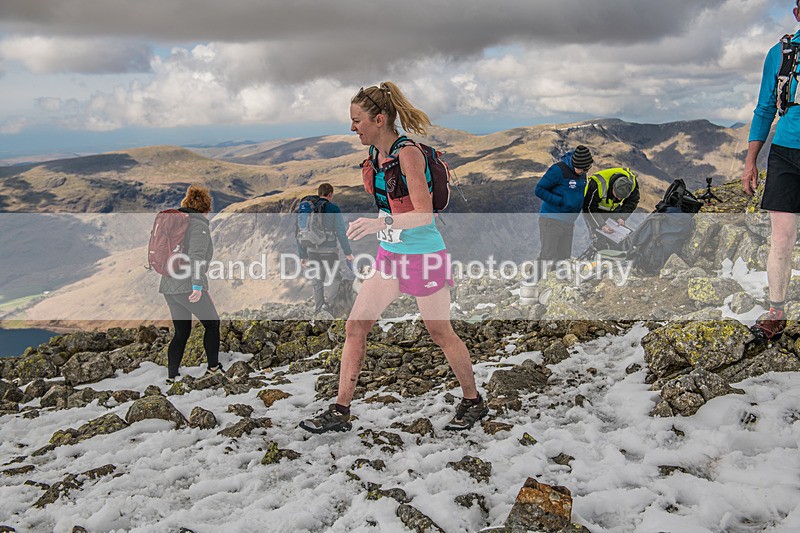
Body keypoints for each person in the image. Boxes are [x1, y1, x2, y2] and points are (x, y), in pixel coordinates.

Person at [299, 81, 488, 434]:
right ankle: (340, 411)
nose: (352, 127)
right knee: (356, 327)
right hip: (390, 256)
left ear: (379, 119)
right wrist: (381, 229)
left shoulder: (408, 154)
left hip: (424, 256)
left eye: (357, 120)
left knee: (439, 332)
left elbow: (424, 215)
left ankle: (473, 401)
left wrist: (378, 223)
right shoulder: (374, 156)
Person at [742, 3, 800, 341]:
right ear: (796, 13)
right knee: (781, 238)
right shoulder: (780, 54)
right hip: (785, 154)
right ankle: (777, 310)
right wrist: (751, 161)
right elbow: (765, 108)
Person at [158, 185, 222, 383]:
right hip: (187, 285)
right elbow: (196, 258)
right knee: (212, 324)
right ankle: (213, 368)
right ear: (206, 208)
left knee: (181, 332)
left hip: (168, 284)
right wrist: (197, 285)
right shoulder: (198, 226)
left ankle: (172, 376)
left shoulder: (176, 222)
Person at [297, 183, 354, 315]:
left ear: (318, 193)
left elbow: (300, 231)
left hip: (311, 250)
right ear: (330, 194)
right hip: (329, 250)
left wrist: (302, 255)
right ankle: (332, 310)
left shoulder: (308, 208)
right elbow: (340, 232)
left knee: (317, 279)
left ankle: (318, 311)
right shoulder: (333, 208)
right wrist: (348, 253)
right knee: (334, 278)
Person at [534, 145, 593, 267]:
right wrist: (560, 201)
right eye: (580, 169)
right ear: (574, 163)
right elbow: (539, 189)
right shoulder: (557, 170)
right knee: (547, 256)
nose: (582, 172)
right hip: (552, 220)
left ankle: (557, 284)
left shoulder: (582, 172)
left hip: (569, 222)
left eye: (585, 169)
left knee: (564, 258)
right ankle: (532, 283)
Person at [583, 167, 639, 236]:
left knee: (618, 235)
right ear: (613, 186)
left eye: (622, 197)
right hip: (594, 209)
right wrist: (601, 225)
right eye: (617, 195)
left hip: (613, 209)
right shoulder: (597, 184)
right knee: (597, 234)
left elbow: (632, 201)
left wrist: (621, 217)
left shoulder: (631, 184)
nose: (619, 199)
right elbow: (589, 208)